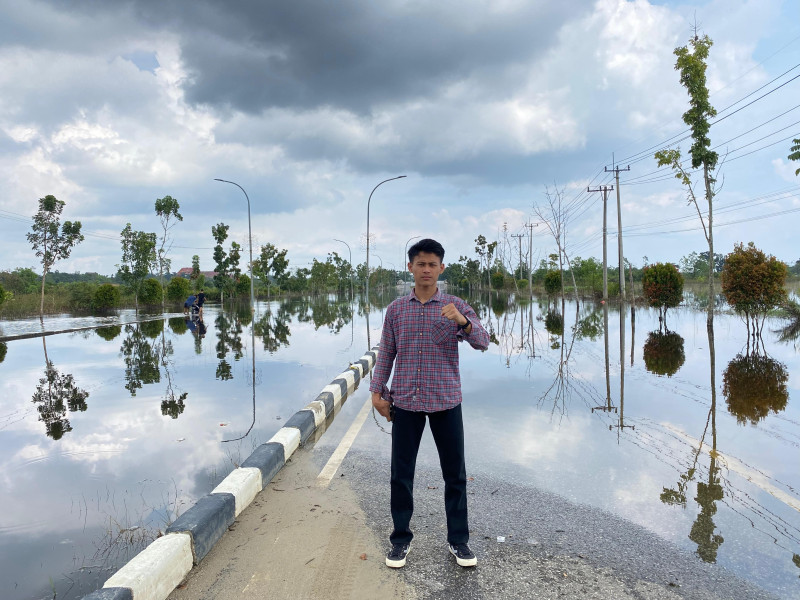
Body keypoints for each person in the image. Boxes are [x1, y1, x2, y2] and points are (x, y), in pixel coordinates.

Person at [370, 238, 489, 569]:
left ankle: (459, 541)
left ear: (441, 268)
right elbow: (387, 353)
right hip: (406, 400)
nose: (426, 269)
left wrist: (462, 323)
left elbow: (483, 341)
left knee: (455, 474)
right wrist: (376, 392)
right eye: (420, 263)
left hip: (445, 400)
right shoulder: (396, 309)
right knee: (401, 474)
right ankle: (400, 540)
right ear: (410, 267)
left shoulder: (454, 305)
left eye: (432, 264)